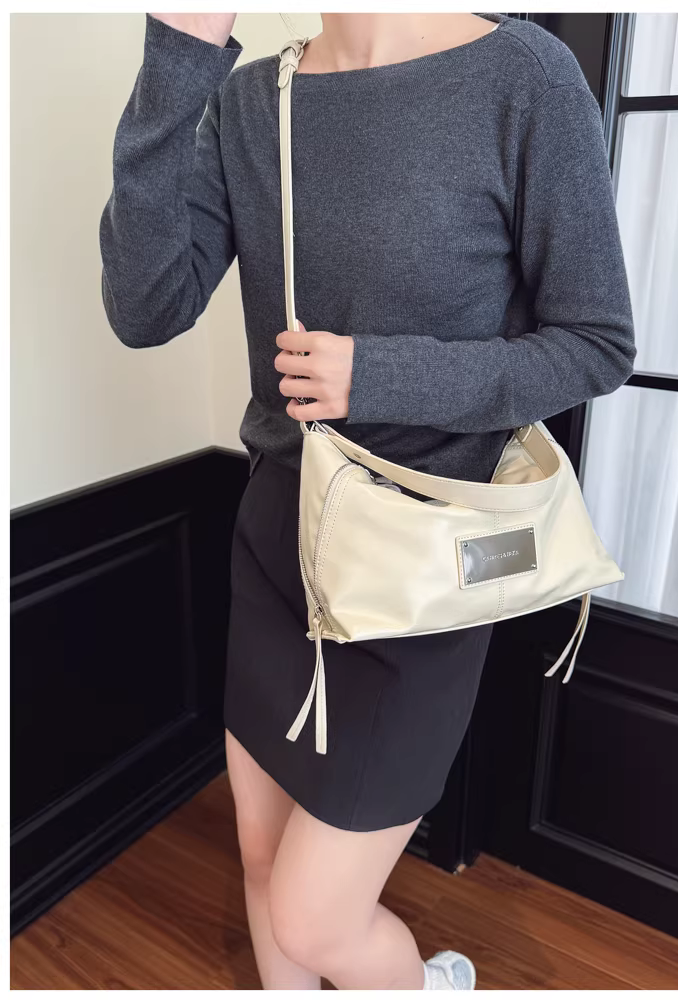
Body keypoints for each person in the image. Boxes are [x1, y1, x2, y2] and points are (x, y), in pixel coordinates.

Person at [99, 11, 636, 990]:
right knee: (261, 857)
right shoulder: (252, 99)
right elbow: (146, 307)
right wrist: (177, 55)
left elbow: (595, 343)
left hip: (423, 572)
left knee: (314, 917)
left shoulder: (523, 78)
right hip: (281, 541)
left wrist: (380, 376)